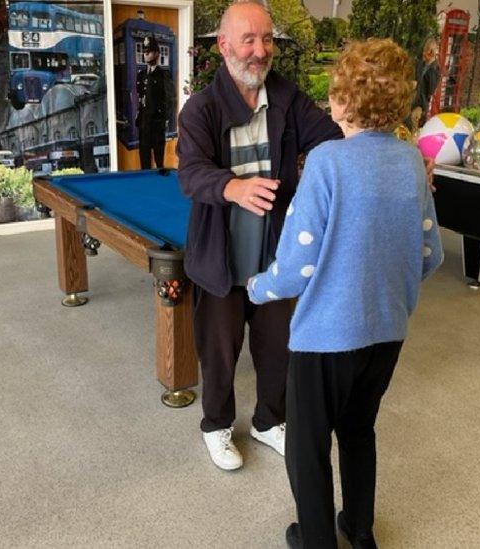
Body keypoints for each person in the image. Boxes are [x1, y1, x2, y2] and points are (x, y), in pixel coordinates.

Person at [246, 38, 443, 548]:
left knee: (307, 449)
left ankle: (316, 541)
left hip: (325, 339)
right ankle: (358, 531)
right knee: (359, 431)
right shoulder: (410, 161)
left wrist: (258, 287)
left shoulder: (326, 162)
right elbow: (430, 256)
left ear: (341, 102)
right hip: (387, 334)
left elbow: (296, 267)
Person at [176, 0, 343, 471]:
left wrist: (382, 152)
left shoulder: (287, 99)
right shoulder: (201, 110)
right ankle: (216, 426)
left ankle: (270, 422)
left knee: (277, 350)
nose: (259, 50)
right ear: (224, 45)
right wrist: (233, 186)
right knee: (220, 354)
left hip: (276, 259)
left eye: (266, 39)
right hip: (220, 262)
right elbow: (190, 174)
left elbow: (331, 138)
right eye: (248, 39)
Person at [136, 35, 174, 169]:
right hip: (144, 123)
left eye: (149, 51)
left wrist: (167, 120)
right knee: (144, 161)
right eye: (145, 51)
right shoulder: (140, 75)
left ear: (157, 54)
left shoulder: (164, 74)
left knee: (159, 162)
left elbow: (169, 99)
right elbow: (140, 98)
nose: (146, 53)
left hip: (157, 123)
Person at [410, 36, 441, 130]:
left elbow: (431, 90)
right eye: (425, 50)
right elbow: (415, 79)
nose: (425, 53)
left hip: (421, 105)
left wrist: (431, 62)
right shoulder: (420, 64)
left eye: (428, 50)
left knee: (415, 127)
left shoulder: (435, 69)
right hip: (412, 101)